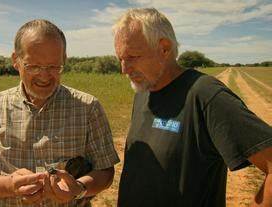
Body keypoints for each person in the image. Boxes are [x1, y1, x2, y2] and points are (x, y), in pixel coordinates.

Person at [113, 8, 272, 207]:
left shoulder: (205, 94)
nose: (123, 69)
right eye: (120, 58)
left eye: (132, 57)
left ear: (164, 48)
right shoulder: (143, 91)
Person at [0, 19, 119, 207]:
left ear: (64, 60)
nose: (44, 75)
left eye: (54, 67)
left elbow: (105, 171)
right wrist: (10, 185)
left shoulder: (88, 107)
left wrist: (78, 188)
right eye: (34, 66)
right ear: (16, 61)